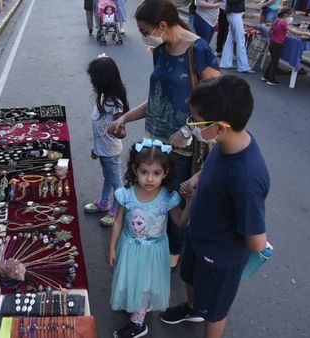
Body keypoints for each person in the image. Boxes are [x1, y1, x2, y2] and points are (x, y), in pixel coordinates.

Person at [108, 0, 220, 273]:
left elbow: (218, 103)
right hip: (155, 144)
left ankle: (173, 255)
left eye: (144, 29)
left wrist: (186, 129)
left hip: (183, 149)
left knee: (175, 202)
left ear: (161, 25)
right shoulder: (160, 49)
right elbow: (157, 100)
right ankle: (152, 244)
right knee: (154, 198)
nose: (143, 34)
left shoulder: (199, 51)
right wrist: (124, 117)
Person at [161, 75, 269, 338]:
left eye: (195, 122)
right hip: (199, 237)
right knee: (190, 278)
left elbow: (257, 242)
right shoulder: (227, 141)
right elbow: (212, 166)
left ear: (220, 127)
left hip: (219, 256)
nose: (192, 127)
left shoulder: (246, 177)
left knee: (216, 310)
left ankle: (206, 318)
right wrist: (197, 180)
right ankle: (193, 308)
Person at [108, 139, 192, 338]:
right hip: (129, 247)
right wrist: (112, 247)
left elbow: (180, 223)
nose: (149, 179)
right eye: (144, 172)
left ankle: (138, 324)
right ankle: (134, 305)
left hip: (154, 251)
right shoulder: (126, 195)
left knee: (145, 283)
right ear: (135, 170)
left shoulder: (166, 198)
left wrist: (190, 203)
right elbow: (118, 221)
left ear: (166, 173)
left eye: (156, 173)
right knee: (131, 278)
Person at [84, 54, 129, 227]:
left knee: (115, 180)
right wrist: (95, 148)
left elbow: (122, 133)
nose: (92, 82)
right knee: (107, 176)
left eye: (94, 79)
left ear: (103, 80)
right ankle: (104, 202)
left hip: (110, 150)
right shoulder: (103, 98)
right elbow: (98, 128)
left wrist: (116, 130)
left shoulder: (115, 103)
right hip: (102, 149)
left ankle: (118, 208)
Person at [262, 7, 310, 86]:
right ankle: (271, 79)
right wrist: (307, 33)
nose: (292, 18)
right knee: (275, 62)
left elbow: (269, 31)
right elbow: (294, 32)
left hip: (272, 43)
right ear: (286, 15)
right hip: (277, 44)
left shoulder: (277, 20)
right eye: (291, 16)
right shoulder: (283, 23)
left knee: (273, 61)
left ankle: (266, 76)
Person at [219, 0, 255, 73]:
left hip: (234, 13)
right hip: (234, 13)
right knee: (240, 40)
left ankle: (226, 63)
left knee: (230, 39)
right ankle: (243, 67)